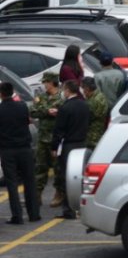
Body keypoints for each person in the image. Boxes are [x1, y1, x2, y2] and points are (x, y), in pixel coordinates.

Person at [0, 82, 37, 224]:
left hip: (8, 150)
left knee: (12, 184)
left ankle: (17, 215)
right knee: (29, 181)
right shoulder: (22, 106)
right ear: (12, 92)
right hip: (25, 148)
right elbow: (28, 121)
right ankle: (34, 214)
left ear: (1, 94)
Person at [52, 79, 88, 219]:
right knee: (80, 177)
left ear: (67, 91)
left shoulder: (65, 108)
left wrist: (54, 147)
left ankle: (69, 209)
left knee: (67, 178)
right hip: (82, 144)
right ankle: (81, 207)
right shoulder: (84, 105)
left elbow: (59, 130)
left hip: (68, 145)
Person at [30, 71, 62, 206]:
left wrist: (51, 111)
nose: (44, 85)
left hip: (56, 138)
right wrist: (47, 111)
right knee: (40, 167)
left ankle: (59, 193)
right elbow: (32, 111)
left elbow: (64, 111)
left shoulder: (62, 96)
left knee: (58, 168)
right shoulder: (41, 96)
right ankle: (37, 195)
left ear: (52, 82)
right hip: (43, 137)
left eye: (46, 82)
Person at [80, 77, 109, 149]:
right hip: (97, 133)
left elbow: (87, 117)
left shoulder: (94, 101)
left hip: (93, 136)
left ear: (87, 88)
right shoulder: (99, 95)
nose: (82, 91)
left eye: (83, 88)